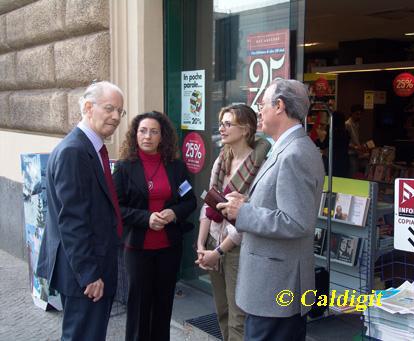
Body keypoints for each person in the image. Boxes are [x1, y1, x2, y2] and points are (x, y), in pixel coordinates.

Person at [218, 79, 325, 340]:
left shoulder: (294, 153)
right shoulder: (288, 148)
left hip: (275, 289)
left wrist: (242, 211)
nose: (259, 110)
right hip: (273, 287)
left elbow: (296, 221)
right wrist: (246, 202)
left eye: (262, 104)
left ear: (279, 106)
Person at [36, 81, 125, 340]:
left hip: (92, 268)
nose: (116, 117)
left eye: (121, 111)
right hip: (84, 275)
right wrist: (89, 275)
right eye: (110, 108)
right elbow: (72, 221)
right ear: (88, 107)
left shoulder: (90, 148)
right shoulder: (74, 151)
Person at [113, 111, 197, 341]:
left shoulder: (176, 167)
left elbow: (190, 201)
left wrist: (173, 213)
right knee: (139, 306)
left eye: (153, 131)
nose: (147, 136)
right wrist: (146, 218)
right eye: (142, 131)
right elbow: (116, 208)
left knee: (163, 305)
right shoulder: (123, 167)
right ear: (135, 134)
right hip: (138, 249)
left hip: (169, 247)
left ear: (163, 136)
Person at [196, 104, 271, 341]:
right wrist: (201, 244)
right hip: (213, 241)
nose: (222, 128)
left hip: (237, 248)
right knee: (222, 311)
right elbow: (209, 203)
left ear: (246, 129)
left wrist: (218, 251)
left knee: (238, 317)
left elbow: (246, 216)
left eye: (228, 124)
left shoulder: (259, 166)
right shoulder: (221, 160)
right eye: (221, 123)